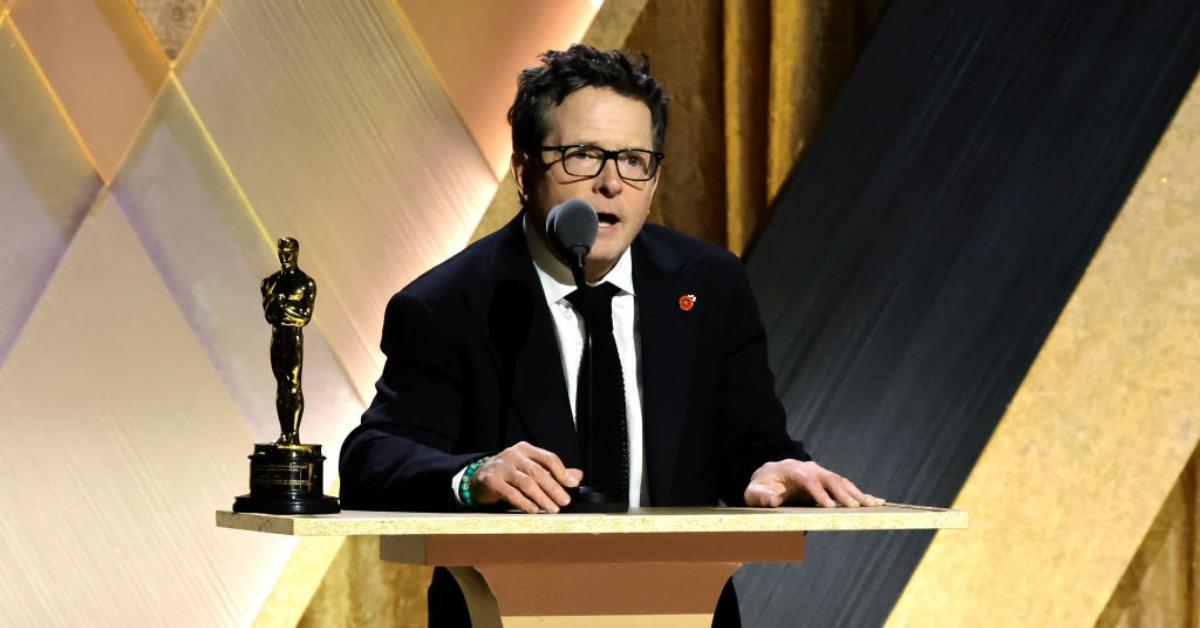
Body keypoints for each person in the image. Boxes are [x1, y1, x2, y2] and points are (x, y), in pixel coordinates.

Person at [340, 44, 883, 628]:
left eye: (633, 160)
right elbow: (370, 460)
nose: (610, 183)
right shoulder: (448, 304)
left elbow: (747, 443)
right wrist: (475, 476)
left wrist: (771, 469)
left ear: (654, 178)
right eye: (582, 156)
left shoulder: (709, 284)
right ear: (524, 171)